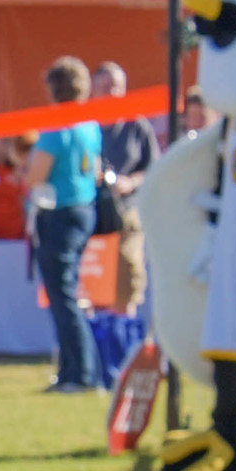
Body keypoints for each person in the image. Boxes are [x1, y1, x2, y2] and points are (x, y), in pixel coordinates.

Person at [27, 57, 104, 393]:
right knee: (64, 293)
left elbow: (36, 175)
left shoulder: (57, 126)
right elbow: (97, 170)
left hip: (59, 212)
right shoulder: (90, 124)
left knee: (63, 296)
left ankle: (81, 373)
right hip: (85, 209)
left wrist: (24, 172)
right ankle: (71, 369)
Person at [93, 60, 157, 311]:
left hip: (126, 211)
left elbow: (154, 167)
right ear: (93, 89)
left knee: (127, 273)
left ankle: (123, 326)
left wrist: (130, 182)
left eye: (117, 86)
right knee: (93, 274)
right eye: (105, 86)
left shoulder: (137, 125)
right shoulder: (83, 124)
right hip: (90, 211)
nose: (111, 92)